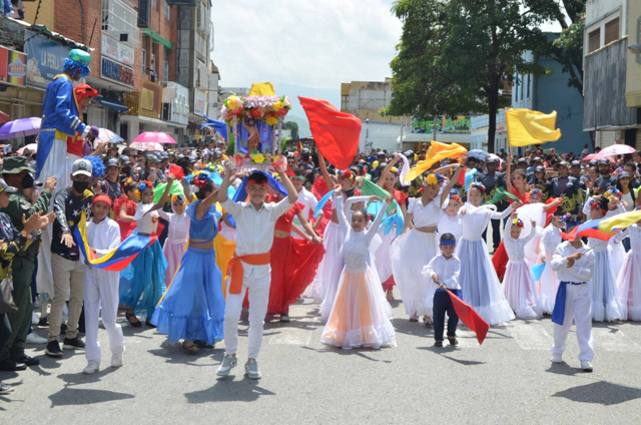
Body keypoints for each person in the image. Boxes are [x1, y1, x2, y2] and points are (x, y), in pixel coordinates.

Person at [216, 162, 298, 380]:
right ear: (248, 190)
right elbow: (222, 198)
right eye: (253, 188)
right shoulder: (240, 210)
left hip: (262, 271)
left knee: (256, 319)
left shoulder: (271, 212)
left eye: (262, 188)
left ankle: (252, 359)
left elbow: (293, 197)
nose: (258, 191)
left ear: (267, 190)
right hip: (240, 269)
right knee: (231, 315)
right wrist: (227, 176)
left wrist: (281, 173)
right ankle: (230, 354)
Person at [152, 173, 225, 353]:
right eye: (213, 188)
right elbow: (216, 195)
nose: (217, 190)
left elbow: (220, 199)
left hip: (208, 257)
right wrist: (230, 175)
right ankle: (189, 337)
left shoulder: (209, 209)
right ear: (208, 193)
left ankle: (202, 334)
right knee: (193, 296)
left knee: (209, 295)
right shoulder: (198, 207)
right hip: (196, 257)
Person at [320, 193, 395, 349]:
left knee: (363, 307)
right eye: (354, 219)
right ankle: (346, 333)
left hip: (362, 277)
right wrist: (337, 198)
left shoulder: (367, 236)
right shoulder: (347, 230)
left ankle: (365, 334)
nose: (356, 223)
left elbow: (377, 221)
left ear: (365, 222)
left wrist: (385, 205)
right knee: (347, 306)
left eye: (360, 220)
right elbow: (340, 211)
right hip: (347, 277)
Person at [0, 158, 55, 369]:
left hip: (27, 257)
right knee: (17, 308)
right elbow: (32, 215)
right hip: (18, 260)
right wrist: (47, 193)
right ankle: (6, 354)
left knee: (26, 307)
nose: (24, 178)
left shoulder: (14, 196)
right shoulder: (12, 199)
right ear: (10, 175)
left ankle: (17, 351)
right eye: (20, 174)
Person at [391, 166, 462, 324]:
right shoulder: (414, 202)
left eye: (436, 189)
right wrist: (401, 238)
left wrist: (458, 168)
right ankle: (414, 309)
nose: (434, 192)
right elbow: (407, 221)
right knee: (413, 275)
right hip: (414, 240)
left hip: (430, 241)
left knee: (429, 277)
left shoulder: (438, 202)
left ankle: (429, 311)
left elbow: (450, 185)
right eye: (431, 188)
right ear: (425, 187)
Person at [46, 159, 94, 358]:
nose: (81, 180)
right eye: (78, 177)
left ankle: (71, 335)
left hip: (81, 257)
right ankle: (52, 339)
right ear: (72, 177)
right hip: (62, 254)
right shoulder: (62, 195)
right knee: (60, 297)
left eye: (85, 177)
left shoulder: (90, 198)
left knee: (77, 298)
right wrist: (65, 230)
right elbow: (59, 213)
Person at [457, 183, 515, 325]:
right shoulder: (465, 208)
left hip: (478, 247)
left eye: (477, 195)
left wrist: (512, 207)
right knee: (463, 275)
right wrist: (462, 210)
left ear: (482, 196)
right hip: (464, 246)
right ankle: (461, 306)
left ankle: (480, 308)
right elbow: (460, 212)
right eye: (471, 195)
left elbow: (501, 215)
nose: (474, 197)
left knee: (479, 276)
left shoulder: (485, 211)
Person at [82, 195, 124, 374]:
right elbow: (81, 249)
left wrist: (95, 253)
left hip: (109, 274)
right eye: (97, 206)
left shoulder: (113, 227)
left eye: (104, 207)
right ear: (92, 207)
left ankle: (117, 350)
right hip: (90, 273)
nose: (100, 210)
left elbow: (114, 251)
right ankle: (93, 359)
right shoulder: (86, 226)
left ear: (108, 210)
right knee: (91, 316)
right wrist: (87, 258)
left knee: (108, 318)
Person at [118, 180, 167, 327]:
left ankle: (151, 314)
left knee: (154, 280)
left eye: (151, 194)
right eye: (146, 194)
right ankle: (130, 310)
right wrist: (169, 184)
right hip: (143, 244)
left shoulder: (153, 207)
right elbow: (123, 216)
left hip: (153, 243)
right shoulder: (142, 208)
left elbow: (160, 206)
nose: (149, 196)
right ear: (141, 195)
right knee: (141, 279)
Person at [550, 233, 595, 372]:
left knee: (584, 323)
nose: (571, 236)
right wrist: (568, 259)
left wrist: (572, 266)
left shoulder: (589, 251)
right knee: (562, 322)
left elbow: (588, 274)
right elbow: (554, 265)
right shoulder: (562, 247)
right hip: (566, 288)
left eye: (575, 232)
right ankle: (557, 352)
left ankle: (585, 358)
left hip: (583, 289)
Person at [586, 196, 623, 322]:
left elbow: (622, 220)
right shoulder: (588, 222)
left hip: (602, 256)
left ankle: (603, 309)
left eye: (594, 209)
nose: (591, 211)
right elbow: (585, 209)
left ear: (601, 211)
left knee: (602, 281)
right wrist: (592, 197)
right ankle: (588, 308)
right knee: (591, 281)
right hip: (591, 255)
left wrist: (619, 204)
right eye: (591, 209)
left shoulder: (606, 221)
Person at [422, 233, 461, 347]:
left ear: (454, 247)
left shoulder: (456, 261)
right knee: (438, 316)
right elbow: (427, 268)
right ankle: (438, 338)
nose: (448, 250)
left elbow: (456, 275)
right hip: (439, 293)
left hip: (452, 292)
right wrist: (432, 274)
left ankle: (451, 334)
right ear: (440, 247)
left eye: (451, 247)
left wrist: (446, 283)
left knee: (454, 315)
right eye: (445, 247)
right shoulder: (436, 259)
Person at [502, 215, 541, 319]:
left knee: (522, 286)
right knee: (512, 285)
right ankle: (512, 303)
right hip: (513, 267)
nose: (515, 234)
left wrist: (533, 227)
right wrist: (510, 219)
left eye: (518, 232)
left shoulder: (521, 241)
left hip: (522, 266)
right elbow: (506, 230)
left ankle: (521, 302)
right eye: (513, 232)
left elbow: (530, 236)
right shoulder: (507, 240)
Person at [538, 210, 564, 314]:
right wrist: (543, 253)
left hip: (556, 258)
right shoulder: (547, 230)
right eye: (559, 218)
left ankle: (555, 302)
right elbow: (542, 243)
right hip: (548, 259)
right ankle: (546, 304)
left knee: (556, 281)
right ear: (553, 217)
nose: (561, 221)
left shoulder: (560, 230)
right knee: (547, 281)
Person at [615, 221, 641, 320]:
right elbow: (621, 236)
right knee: (631, 282)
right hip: (633, 259)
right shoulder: (632, 227)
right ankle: (630, 307)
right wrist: (616, 237)